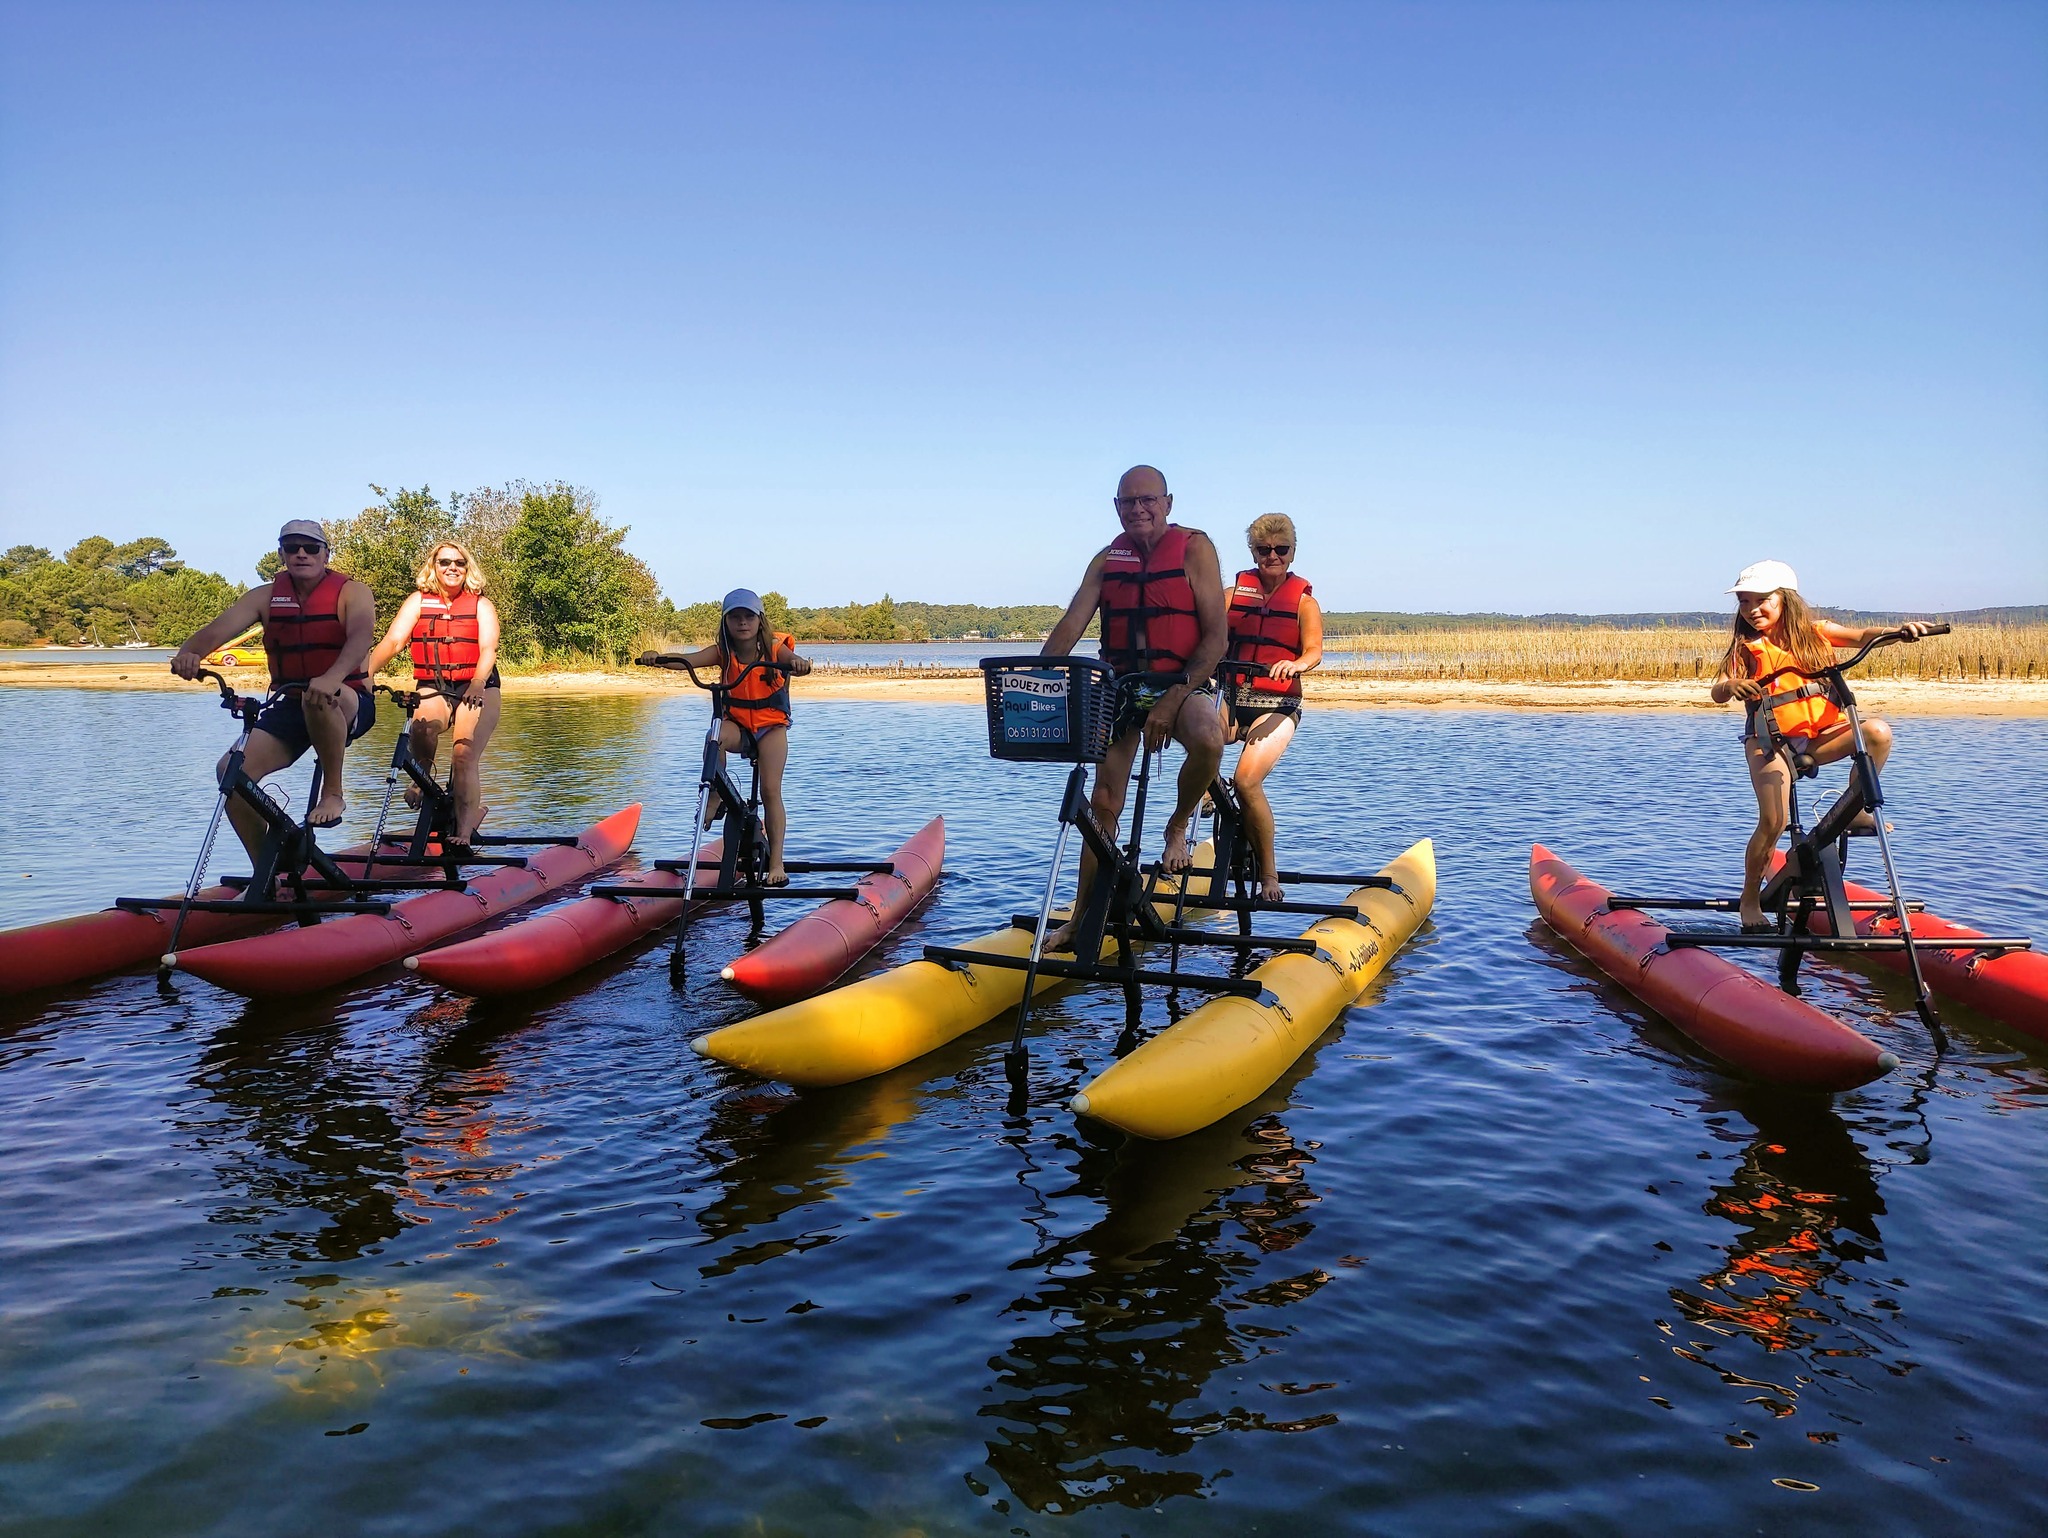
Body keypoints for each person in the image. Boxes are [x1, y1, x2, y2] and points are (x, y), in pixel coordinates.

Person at [1040, 465, 1228, 948]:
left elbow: (1216, 638)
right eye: (1128, 501)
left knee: (1209, 739)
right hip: (1123, 685)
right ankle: (1080, 918)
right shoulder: (1107, 560)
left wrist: (1172, 698)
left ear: (1167, 503)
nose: (1138, 509)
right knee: (1103, 801)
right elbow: (1071, 624)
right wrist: (1037, 675)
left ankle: (1178, 823)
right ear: (1117, 507)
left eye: (1148, 499)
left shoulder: (1195, 549)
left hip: (1182, 681)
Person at [1708, 560, 1935, 930]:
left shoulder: (1817, 633)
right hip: (1769, 742)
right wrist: (1731, 687)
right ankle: (1750, 900)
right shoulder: (1747, 647)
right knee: (1774, 820)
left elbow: (1863, 636)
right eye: (1745, 602)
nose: (1752, 610)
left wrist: (1898, 632)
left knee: (1877, 732)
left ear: (1785, 599)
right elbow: (1718, 690)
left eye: (1762, 600)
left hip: (1821, 736)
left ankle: (1853, 808)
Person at [170, 519, 377, 848]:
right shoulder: (264, 597)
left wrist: (331, 677)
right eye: (292, 547)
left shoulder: (353, 592)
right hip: (290, 704)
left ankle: (333, 793)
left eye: (311, 548)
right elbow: (215, 632)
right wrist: (188, 655)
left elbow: (361, 637)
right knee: (231, 772)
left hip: (347, 700)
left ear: (325, 555)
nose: (301, 554)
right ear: (281, 554)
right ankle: (269, 866)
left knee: (317, 697)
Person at [639, 590, 813, 886]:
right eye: (735, 617)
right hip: (739, 726)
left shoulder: (773, 649)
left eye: (748, 617)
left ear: (759, 620)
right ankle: (716, 795)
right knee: (714, 735)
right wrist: (658, 659)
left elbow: (793, 660)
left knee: (771, 791)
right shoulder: (723, 652)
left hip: (771, 727)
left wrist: (799, 664)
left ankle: (776, 863)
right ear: (726, 621)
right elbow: (687, 660)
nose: (742, 623)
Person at [364, 539, 502, 849]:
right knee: (422, 728)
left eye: (459, 563)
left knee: (463, 754)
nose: (453, 567)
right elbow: (393, 641)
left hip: (478, 686)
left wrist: (477, 683)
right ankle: (422, 776)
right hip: (434, 686)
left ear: (467, 568)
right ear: (434, 567)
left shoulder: (481, 605)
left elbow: (488, 649)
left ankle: (463, 833)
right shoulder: (418, 601)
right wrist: (364, 674)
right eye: (445, 562)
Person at [1221, 514, 1323, 900]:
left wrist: (1295, 665)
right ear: (1253, 552)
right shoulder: (1232, 596)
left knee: (1246, 781)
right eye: (1264, 550)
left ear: (1292, 552)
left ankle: (1268, 874)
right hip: (1230, 697)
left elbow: (1313, 651)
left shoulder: (1304, 603)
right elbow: (1206, 636)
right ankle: (1179, 833)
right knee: (1199, 740)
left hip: (1277, 703)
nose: (1273, 556)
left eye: (1281, 549)